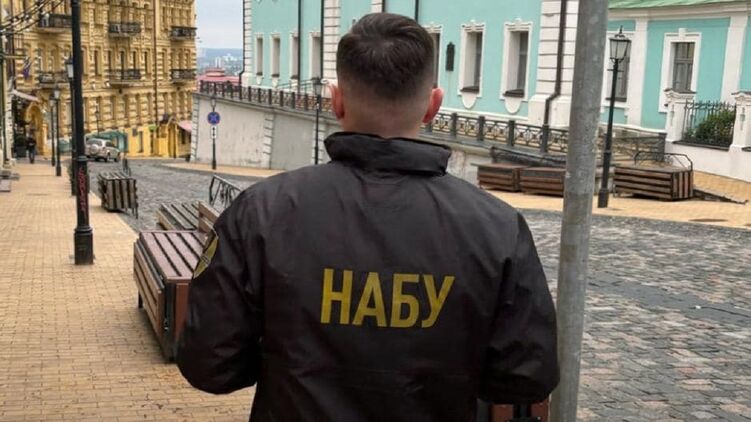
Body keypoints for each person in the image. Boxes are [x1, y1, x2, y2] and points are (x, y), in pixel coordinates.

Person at [177, 13, 559, 422]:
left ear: (336, 101)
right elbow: (526, 377)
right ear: (433, 105)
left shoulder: (261, 212)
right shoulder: (497, 227)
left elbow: (208, 363)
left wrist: (287, 364)